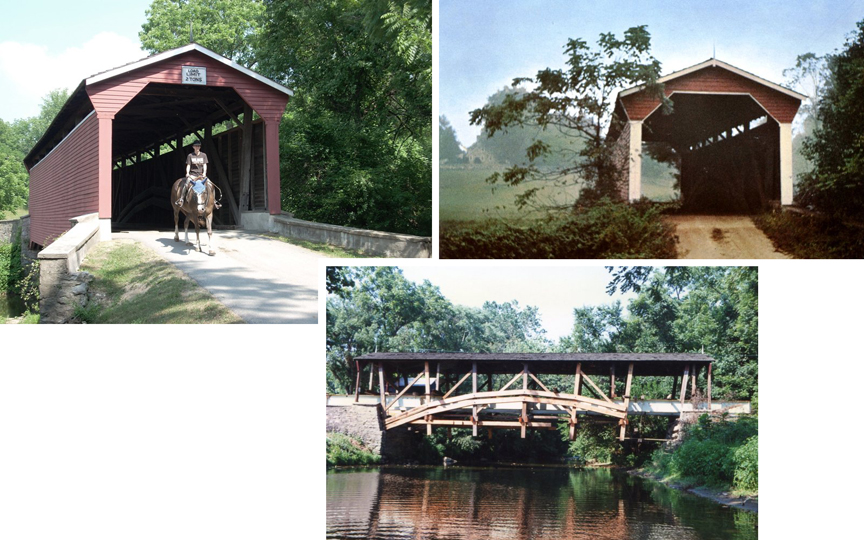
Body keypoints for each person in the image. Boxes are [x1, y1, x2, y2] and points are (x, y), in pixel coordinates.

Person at [175, 140, 208, 206]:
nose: (197, 147)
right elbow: (188, 165)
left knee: (209, 184)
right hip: (193, 175)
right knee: (186, 184)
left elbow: (205, 165)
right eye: (196, 146)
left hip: (201, 175)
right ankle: (181, 199)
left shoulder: (203, 155)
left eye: (198, 146)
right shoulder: (190, 156)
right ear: (193, 147)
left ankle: (214, 200)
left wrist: (204, 173)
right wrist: (187, 173)